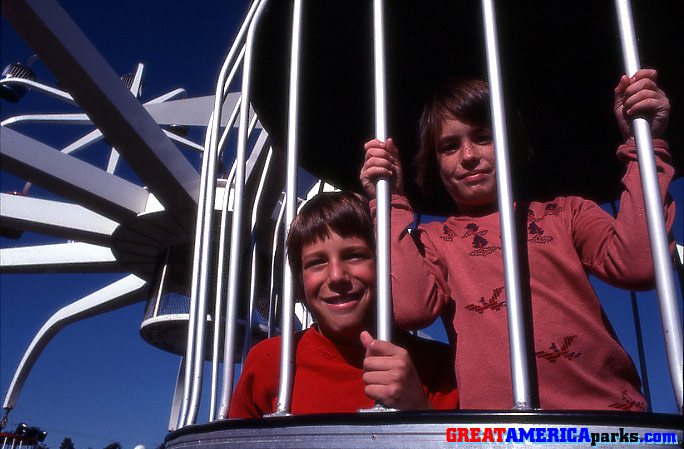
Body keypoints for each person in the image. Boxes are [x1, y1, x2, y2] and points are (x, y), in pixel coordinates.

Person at [360, 69, 675, 411]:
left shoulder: (565, 214)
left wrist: (642, 143)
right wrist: (388, 199)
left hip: (604, 419)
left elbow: (641, 264)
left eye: (483, 138)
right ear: (434, 165)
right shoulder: (435, 240)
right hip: (500, 431)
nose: (468, 156)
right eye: (450, 147)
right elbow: (410, 310)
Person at [229, 191, 459, 418]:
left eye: (354, 256)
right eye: (316, 262)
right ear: (299, 283)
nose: (337, 276)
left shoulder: (439, 368)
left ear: (386, 268)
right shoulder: (269, 361)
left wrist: (419, 410)